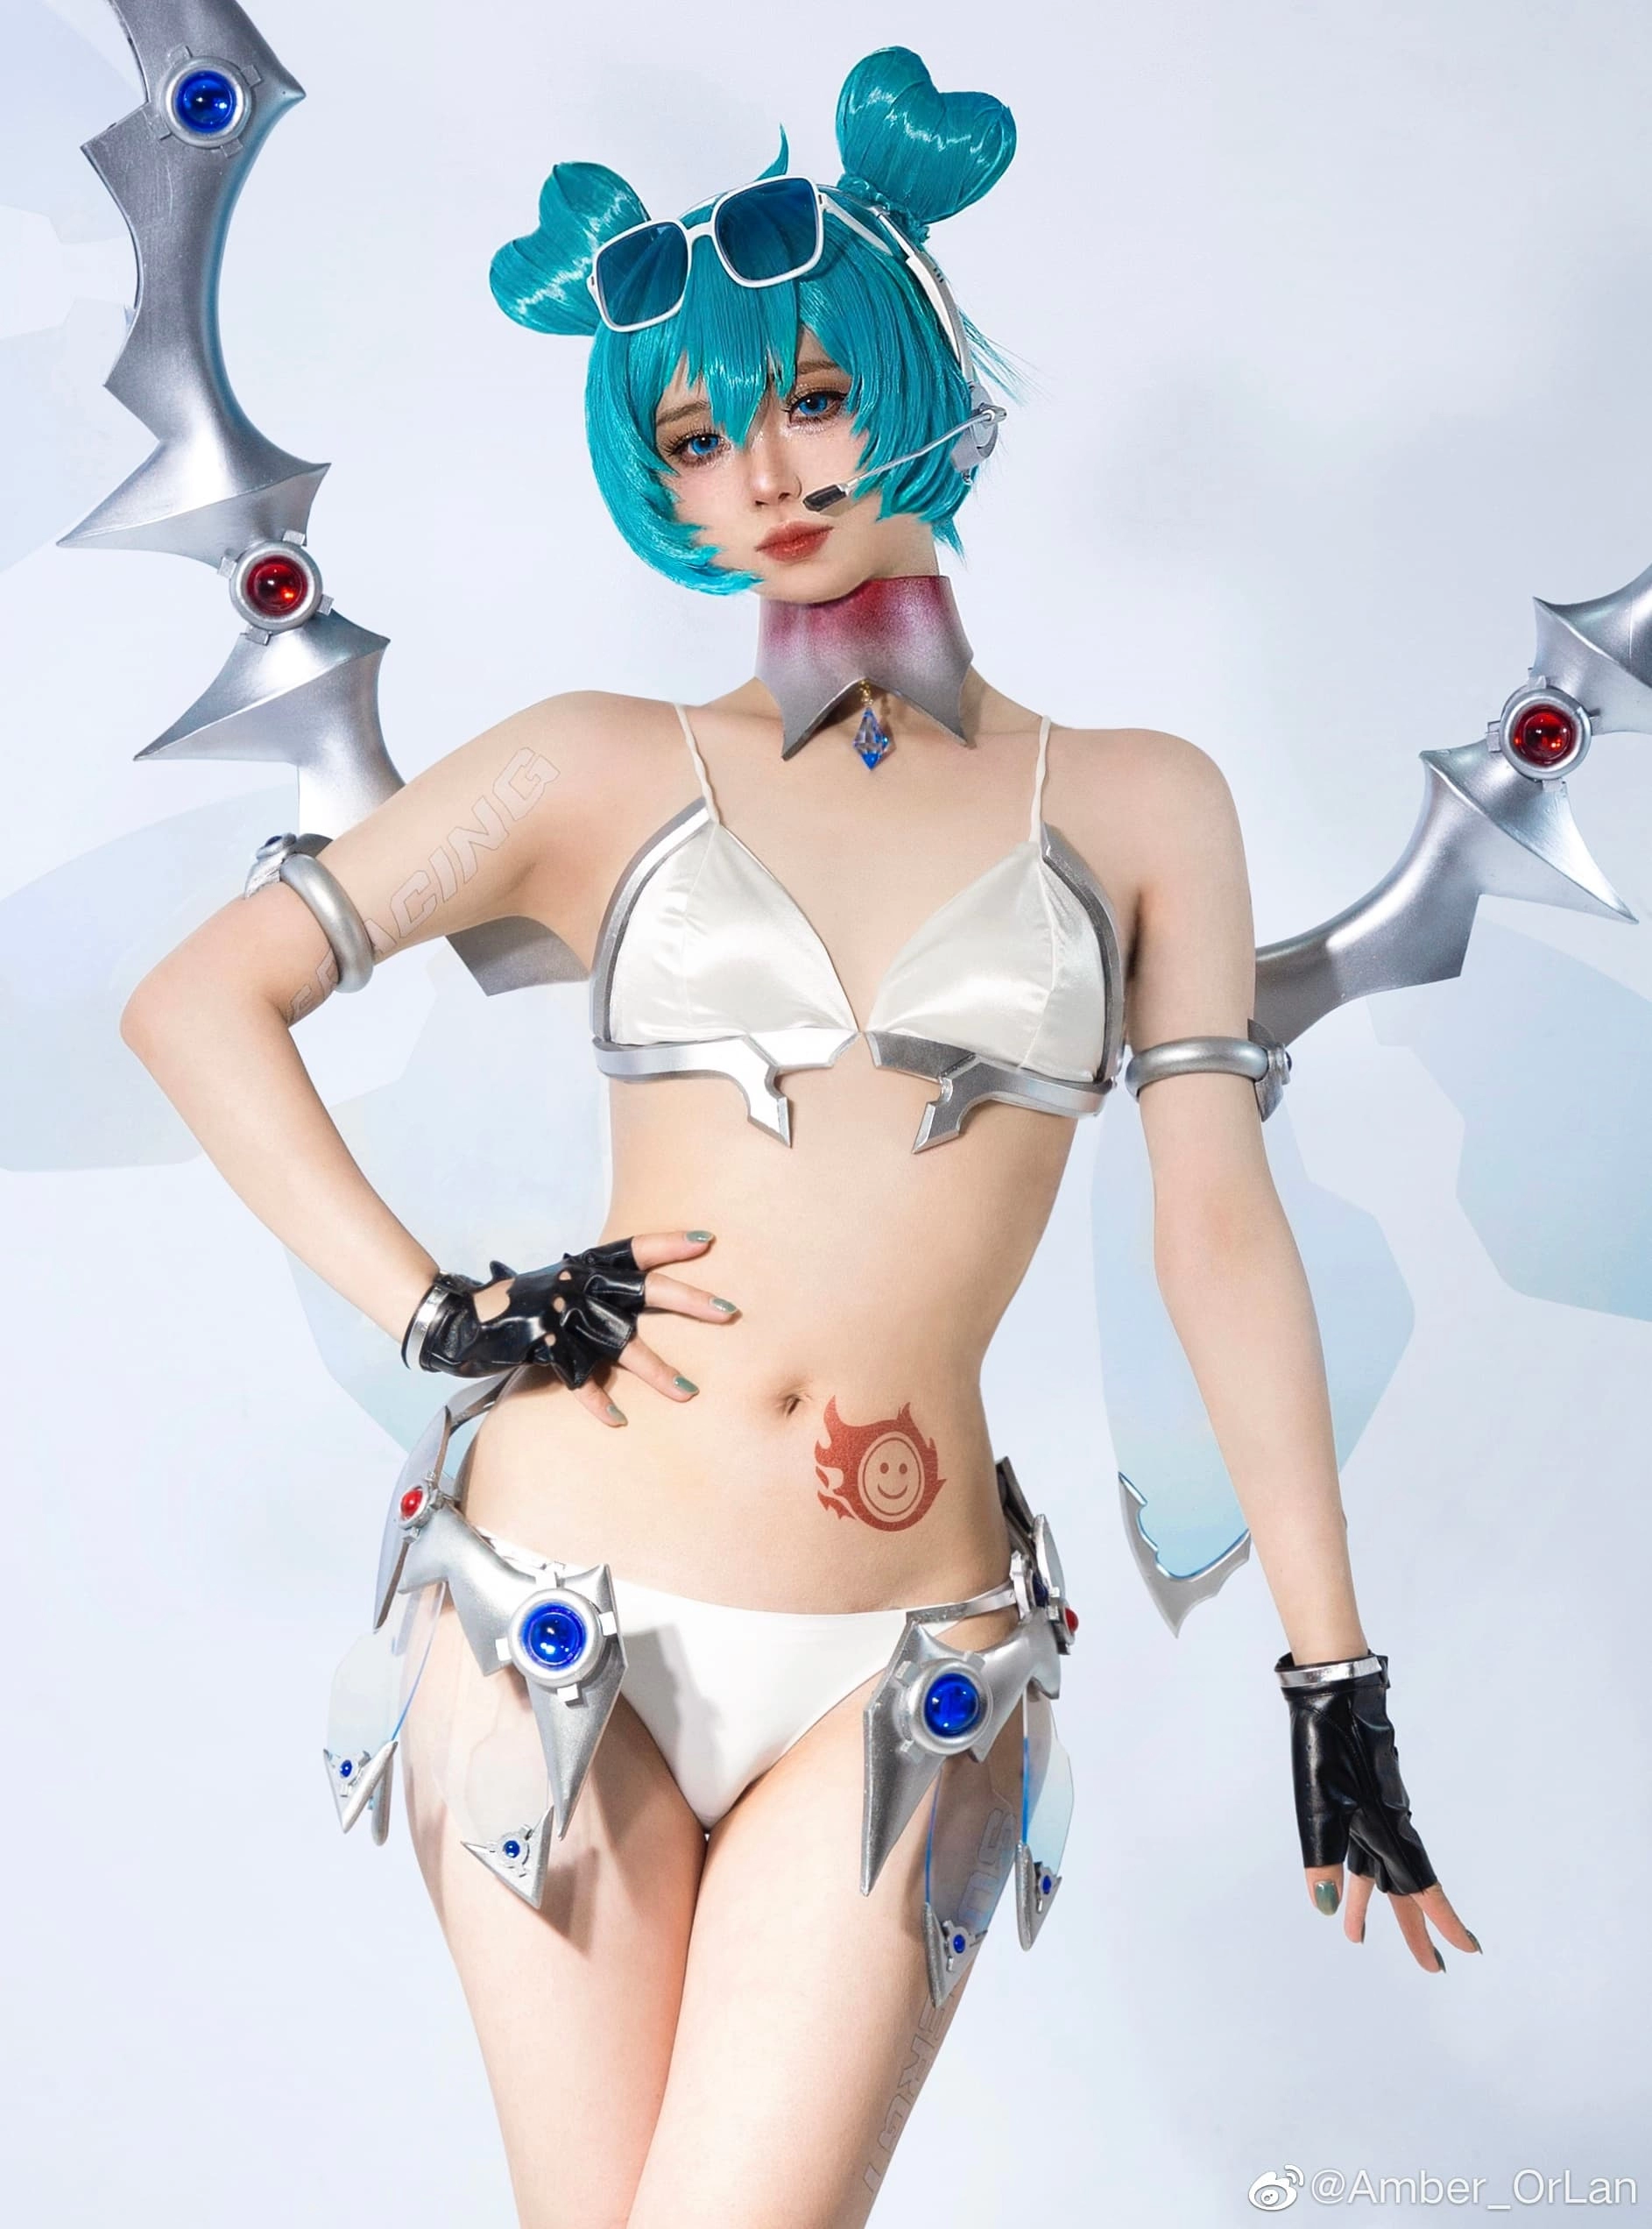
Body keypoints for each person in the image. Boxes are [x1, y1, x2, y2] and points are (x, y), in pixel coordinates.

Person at [116, 44, 1478, 2229]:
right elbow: (198, 1003)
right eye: (690, 435)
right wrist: (440, 1312)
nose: (758, 472)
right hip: (552, 1619)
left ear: (919, 379)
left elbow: (1215, 1236)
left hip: (908, 1671)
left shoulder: (1146, 803)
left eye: (814, 398)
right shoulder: (587, 765)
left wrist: (1333, 1673)